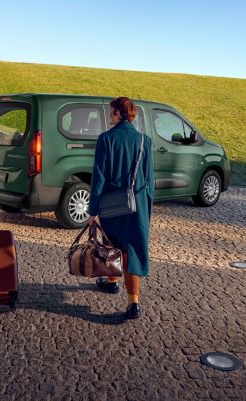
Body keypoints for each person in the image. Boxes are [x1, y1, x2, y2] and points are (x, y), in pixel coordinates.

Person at [87, 97, 154, 319]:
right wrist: (147, 210)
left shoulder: (105, 139)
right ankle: (132, 302)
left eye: (110, 112)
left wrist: (92, 210)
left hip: (112, 205)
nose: (109, 116)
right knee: (131, 250)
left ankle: (112, 281)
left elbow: (99, 178)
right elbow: (150, 181)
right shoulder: (145, 141)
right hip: (138, 206)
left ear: (117, 113)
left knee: (111, 245)